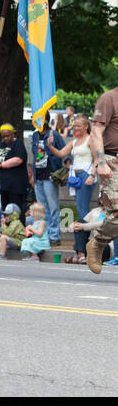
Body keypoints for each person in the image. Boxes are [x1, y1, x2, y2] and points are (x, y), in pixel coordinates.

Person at [84, 85, 118, 274]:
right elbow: (96, 132)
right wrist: (101, 161)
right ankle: (97, 243)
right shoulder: (109, 98)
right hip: (113, 161)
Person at [54, 115, 97, 263]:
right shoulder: (74, 142)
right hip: (75, 177)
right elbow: (60, 154)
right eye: (75, 126)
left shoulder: (90, 140)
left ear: (86, 126)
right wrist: (50, 145)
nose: (76, 128)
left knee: (83, 212)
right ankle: (81, 250)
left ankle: (82, 250)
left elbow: (98, 159)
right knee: (82, 211)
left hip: (85, 175)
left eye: (78, 126)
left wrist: (92, 175)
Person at [31, 117, 65, 245]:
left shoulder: (53, 134)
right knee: (42, 208)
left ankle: (54, 236)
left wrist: (65, 167)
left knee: (53, 207)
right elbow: (35, 155)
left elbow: (64, 151)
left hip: (50, 176)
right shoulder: (34, 135)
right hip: (38, 176)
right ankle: (45, 234)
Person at [0, 123, 31, 229]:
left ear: (13, 134)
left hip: (16, 185)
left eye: (8, 136)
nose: (5, 138)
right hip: (4, 185)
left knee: (17, 209)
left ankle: (19, 232)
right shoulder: (2, 145)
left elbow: (18, 159)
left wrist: (1, 165)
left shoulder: (18, 144)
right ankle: (8, 230)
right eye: (3, 136)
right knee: (6, 209)